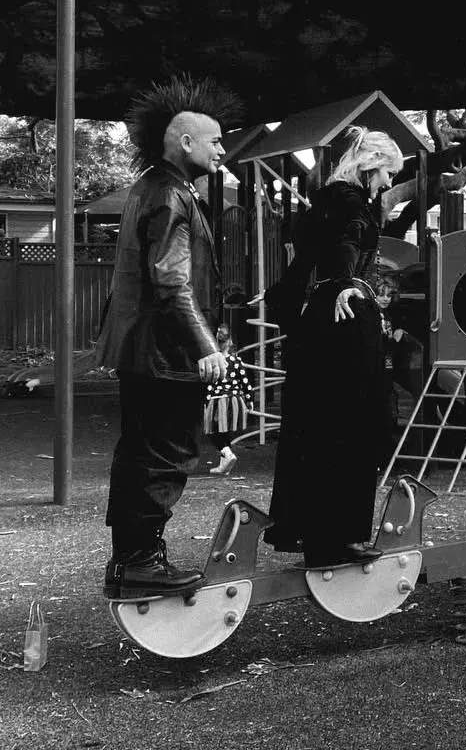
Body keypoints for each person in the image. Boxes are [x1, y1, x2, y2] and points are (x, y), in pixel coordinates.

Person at [97, 75, 237, 599]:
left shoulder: (153, 187)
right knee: (163, 454)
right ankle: (139, 562)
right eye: (216, 140)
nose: (222, 148)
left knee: (138, 452)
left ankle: (130, 561)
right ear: (185, 142)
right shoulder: (172, 195)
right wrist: (207, 347)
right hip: (163, 352)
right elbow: (171, 279)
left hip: (144, 348)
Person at [263, 126, 402, 568]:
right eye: (386, 173)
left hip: (320, 320)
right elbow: (343, 243)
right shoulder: (349, 200)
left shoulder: (324, 198)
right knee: (358, 421)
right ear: (369, 165)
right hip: (343, 317)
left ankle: (318, 533)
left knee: (321, 423)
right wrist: (345, 284)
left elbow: (312, 255)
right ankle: (341, 534)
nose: (388, 183)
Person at [204, 324, 254, 475]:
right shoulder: (236, 360)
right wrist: (249, 398)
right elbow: (244, 381)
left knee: (212, 431)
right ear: (230, 341)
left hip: (218, 399)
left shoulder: (212, 361)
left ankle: (227, 454)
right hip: (234, 400)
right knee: (225, 432)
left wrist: (206, 401)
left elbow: (208, 383)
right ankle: (224, 466)